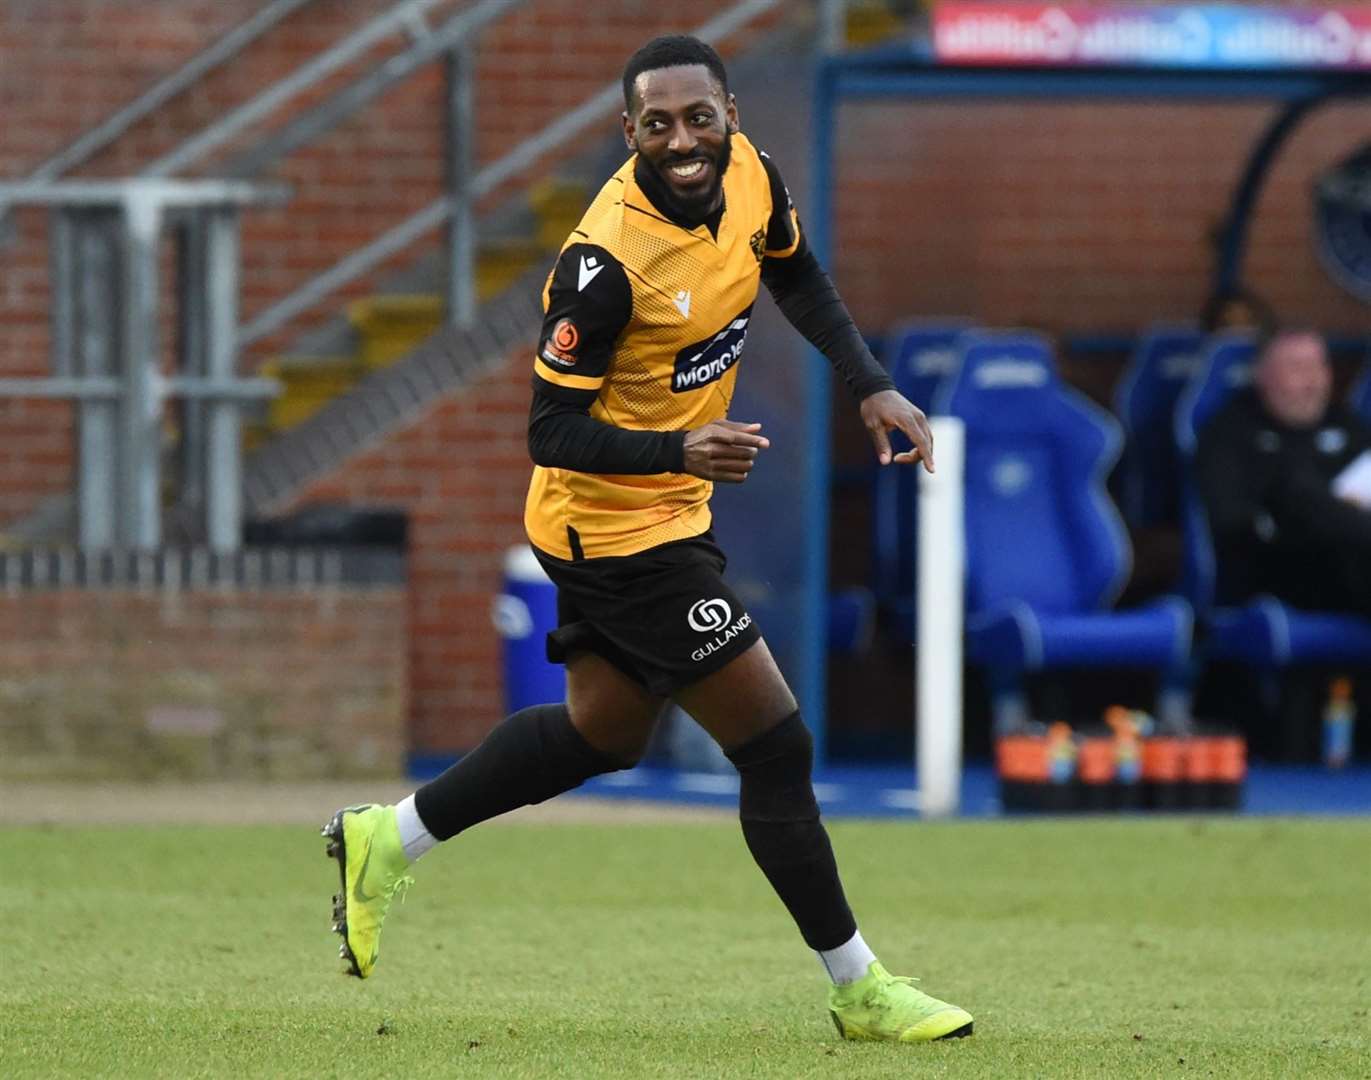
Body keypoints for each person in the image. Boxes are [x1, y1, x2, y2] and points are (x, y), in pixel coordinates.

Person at [322, 34, 972, 1045]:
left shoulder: (752, 176)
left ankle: (387, 837)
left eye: (699, 118)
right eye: (658, 124)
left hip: (663, 512)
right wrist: (680, 444)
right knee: (777, 744)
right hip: (609, 527)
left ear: (729, 120)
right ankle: (859, 988)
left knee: (604, 734)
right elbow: (548, 430)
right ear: (630, 134)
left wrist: (872, 383)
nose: (682, 139)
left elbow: (796, 276)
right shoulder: (604, 265)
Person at [1195, 327, 1371, 613]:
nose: (1312, 382)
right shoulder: (1230, 433)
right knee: (1297, 492)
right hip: (1284, 566)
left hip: (1358, 556)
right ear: (1262, 376)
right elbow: (1231, 524)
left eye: (1320, 366)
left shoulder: (1344, 424)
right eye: (1297, 368)